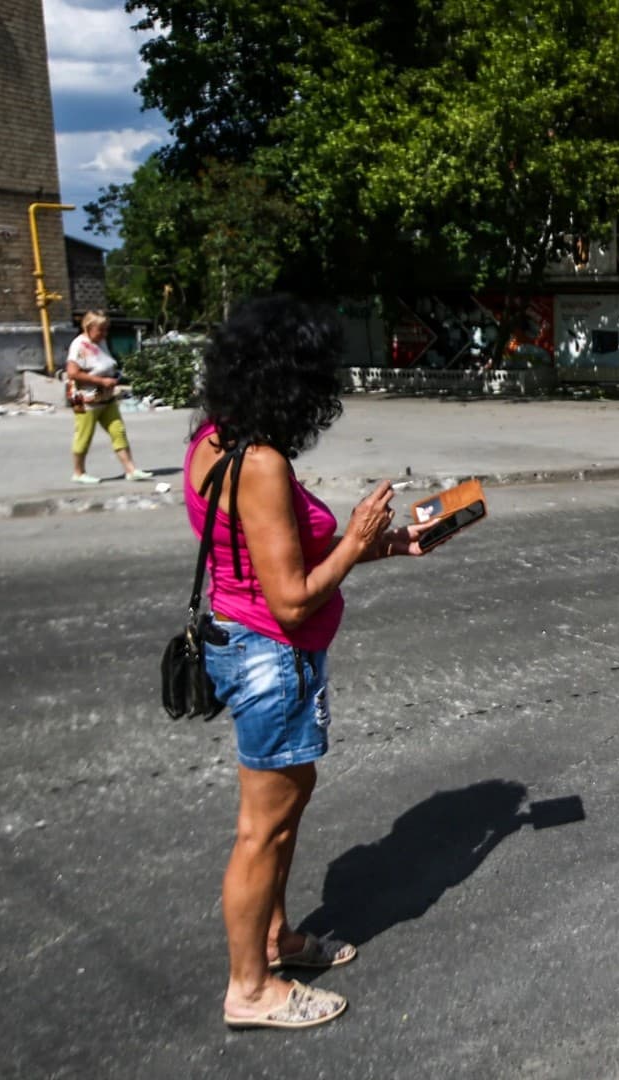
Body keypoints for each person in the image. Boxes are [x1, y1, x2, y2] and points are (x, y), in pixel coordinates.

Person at [186, 296, 448, 1031]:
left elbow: (268, 556)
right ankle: (251, 989)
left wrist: (386, 546)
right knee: (260, 829)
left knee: (286, 807)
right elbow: (295, 598)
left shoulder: (212, 439)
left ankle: (277, 940)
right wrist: (359, 533)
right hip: (274, 655)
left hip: (247, 641)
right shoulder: (261, 463)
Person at [65, 310, 153, 484]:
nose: (104, 334)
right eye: (101, 330)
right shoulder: (79, 345)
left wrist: (113, 376)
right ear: (89, 327)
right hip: (85, 399)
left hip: (106, 397)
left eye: (106, 329)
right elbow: (72, 373)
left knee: (118, 430)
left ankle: (131, 470)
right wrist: (101, 380)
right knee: (84, 435)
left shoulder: (101, 342)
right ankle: (78, 472)